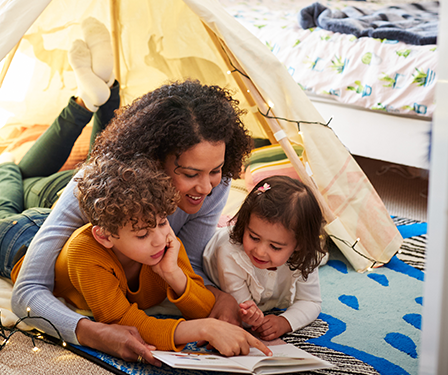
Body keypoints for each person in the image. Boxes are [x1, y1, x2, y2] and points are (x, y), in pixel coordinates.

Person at [11, 53, 256, 362]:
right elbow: (27, 292)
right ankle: (83, 104)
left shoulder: (213, 185)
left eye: (216, 171)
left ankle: (102, 94)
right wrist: (91, 332)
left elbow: (187, 262)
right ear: (154, 159)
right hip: (36, 216)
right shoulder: (89, 187)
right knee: (15, 179)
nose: (207, 188)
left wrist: (217, 296)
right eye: (190, 174)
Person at [11, 154, 269, 357]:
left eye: (162, 223)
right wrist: (201, 329)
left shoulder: (166, 244)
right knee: (6, 195)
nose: (159, 239)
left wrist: (173, 274)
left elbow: (203, 306)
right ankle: (7, 167)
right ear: (105, 236)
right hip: (19, 239)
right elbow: (121, 320)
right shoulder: (87, 251)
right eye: (142, 234)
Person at [0, 17, 119, 280]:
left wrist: (7, 165)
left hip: (88, 187)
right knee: (12, 180)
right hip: (62, 194)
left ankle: (100, 94)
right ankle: (88, 100)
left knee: (103, 161)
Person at [203, 175, 327, 341]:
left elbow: (311, 301)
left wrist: (285, 321)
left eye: (275, 247)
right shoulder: (229, 253)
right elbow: (241, 310)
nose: (260, 252)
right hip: (213, 249)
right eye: (254, 237)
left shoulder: (305, 255)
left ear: (299, 244)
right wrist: (250, 316)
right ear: (244, 225)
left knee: (320, 256)